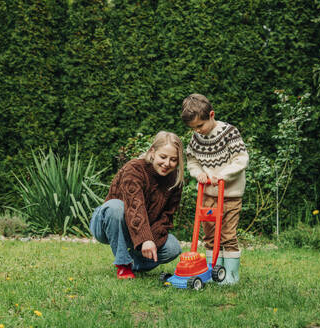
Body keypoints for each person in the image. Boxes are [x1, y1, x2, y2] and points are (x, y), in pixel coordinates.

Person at [90, 131, 184, 279]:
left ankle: (133, 262)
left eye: (173, 160)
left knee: (173, 248)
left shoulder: (175, 181)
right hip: (110, 223)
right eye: (163, 157)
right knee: (116, 207)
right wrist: (145, 239)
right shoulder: (134, 169)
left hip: (140, 230)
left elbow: (166, 218)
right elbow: (135, 206)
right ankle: (123, 265)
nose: (167, 164)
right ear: (153, 152)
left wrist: (150, 239)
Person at [181, 93, 249, 285]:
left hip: (230, 194)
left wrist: (223, 175)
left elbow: (241, 159)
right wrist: (198, 174)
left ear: (211, 114)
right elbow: (192, 160)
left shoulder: (229, 133)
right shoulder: (196, 139)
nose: (198, 131)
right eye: (193, 128)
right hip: (208, 194)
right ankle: (213, 273)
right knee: (210, 234)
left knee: (227, 234)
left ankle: (231, 276)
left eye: (200, 125)